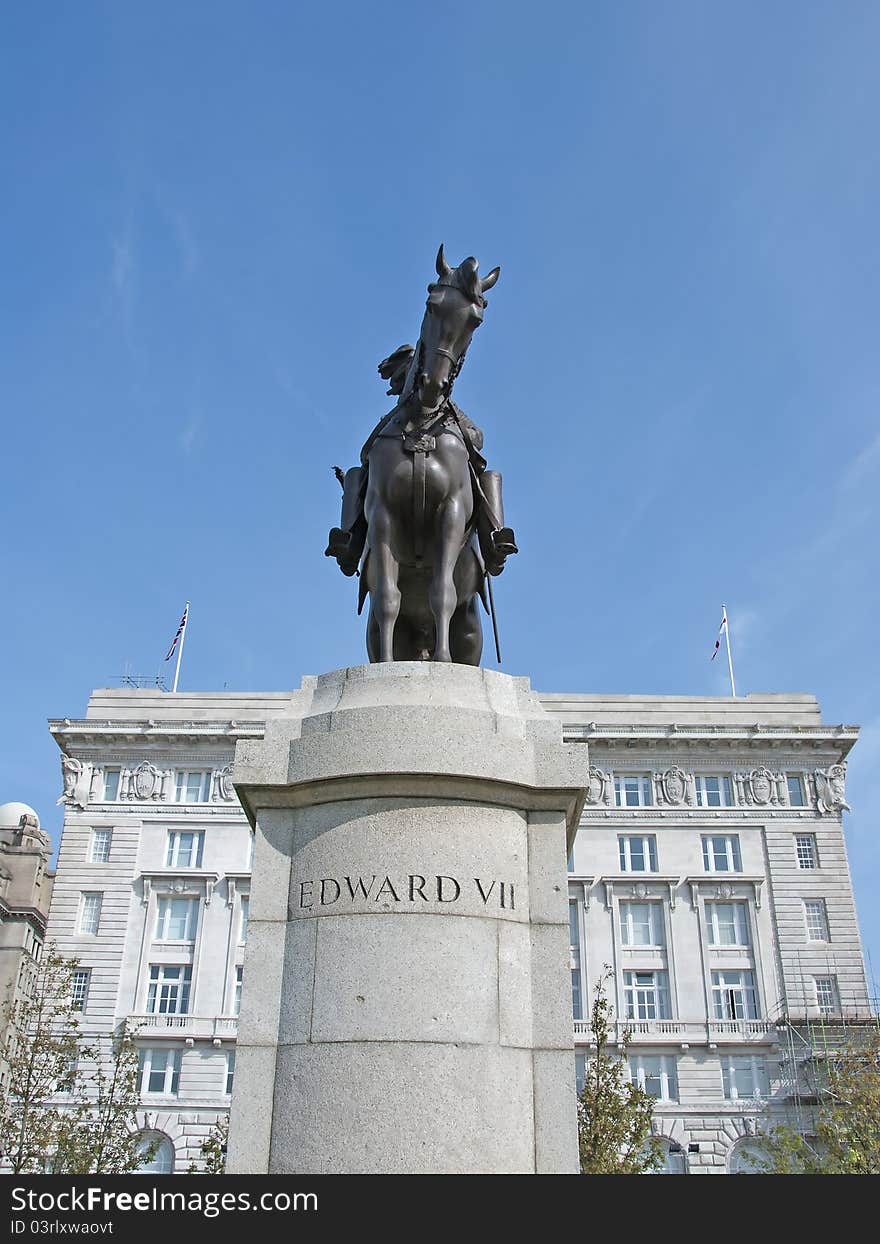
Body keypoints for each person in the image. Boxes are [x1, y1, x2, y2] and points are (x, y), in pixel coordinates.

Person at [325, 344, 517, 578]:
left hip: (452, 471)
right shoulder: (391, 422)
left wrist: (456, 426)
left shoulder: (451, 413)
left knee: (490, 476)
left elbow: (478, 439)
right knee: (357, 473)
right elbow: (367, 453)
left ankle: (494, 541)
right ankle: (350, 542)